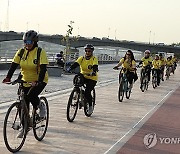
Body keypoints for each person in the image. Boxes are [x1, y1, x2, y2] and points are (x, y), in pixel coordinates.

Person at [2, 30, 49, 138]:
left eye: (29, 42)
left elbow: (43, 69)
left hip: (39, 80)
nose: (27, 44)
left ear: (34, 42)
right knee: (22, 105)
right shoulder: (21, 52)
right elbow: (14, 65)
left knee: (31, 96)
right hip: (25, 79)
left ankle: (40, 105)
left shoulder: (40, 52)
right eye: (25, 42)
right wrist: (8, 77)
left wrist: (38, 81)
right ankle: (25, 126)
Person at [69, 44, 98, 114]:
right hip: (84, 76)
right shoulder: (81, 58)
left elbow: (95, 66)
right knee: (77, 81)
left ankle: (90, 106)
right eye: (86, 51)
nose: (87, 52)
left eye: (89, 51)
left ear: (92, 52)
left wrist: (94, 71)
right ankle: (77, 93)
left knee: (87, 92)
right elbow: (76, 64)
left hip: (92, 78)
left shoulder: (94, 59)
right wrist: (69, 68)